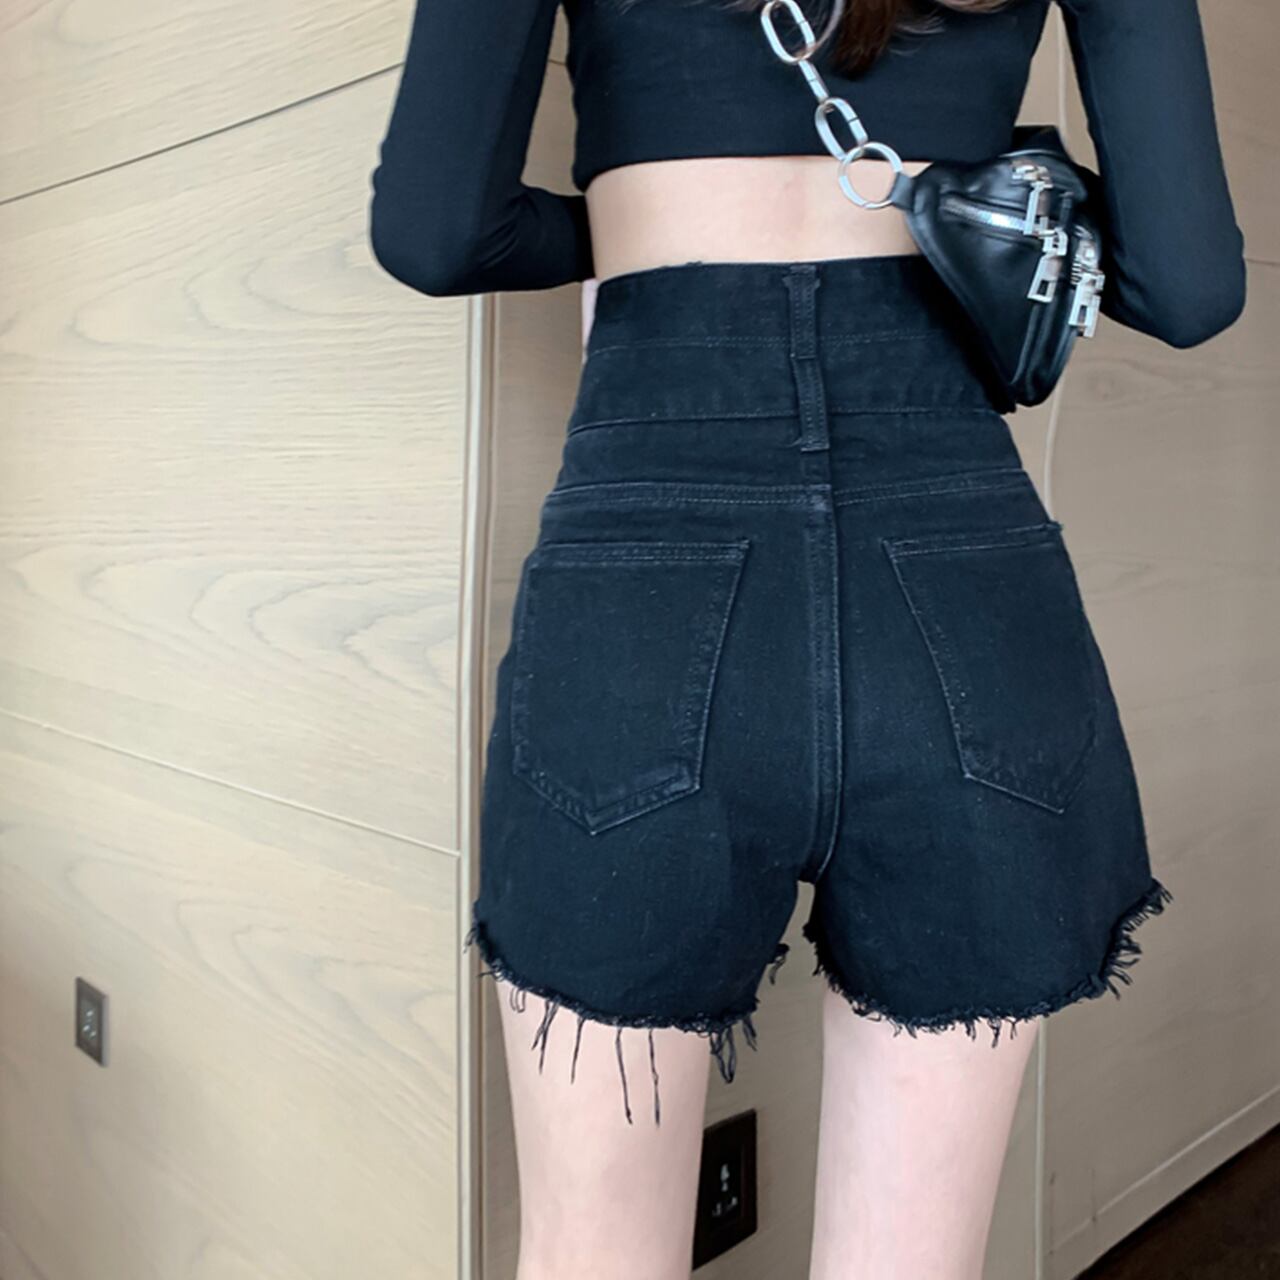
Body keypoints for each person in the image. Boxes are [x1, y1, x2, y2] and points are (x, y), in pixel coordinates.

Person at [368, 0, 1247, 1275]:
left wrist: (626, 217)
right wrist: (978, 205)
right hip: (962, 580)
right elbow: (1190, 282)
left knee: (589, 1251)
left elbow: (437, 230)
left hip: (642, 577)